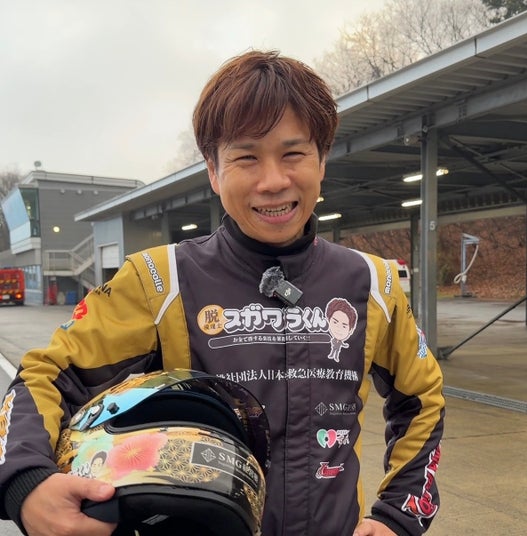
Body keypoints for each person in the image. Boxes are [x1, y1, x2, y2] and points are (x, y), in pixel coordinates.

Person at [0, 50, 445, 536]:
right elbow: (47, 375)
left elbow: (422, 399)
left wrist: (398, 515)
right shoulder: (158, 280)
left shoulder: (373, 283)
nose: (273, 181)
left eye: (293, 153)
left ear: (322, 161)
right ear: (213, 171)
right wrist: (26, 482)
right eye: (246, 157)